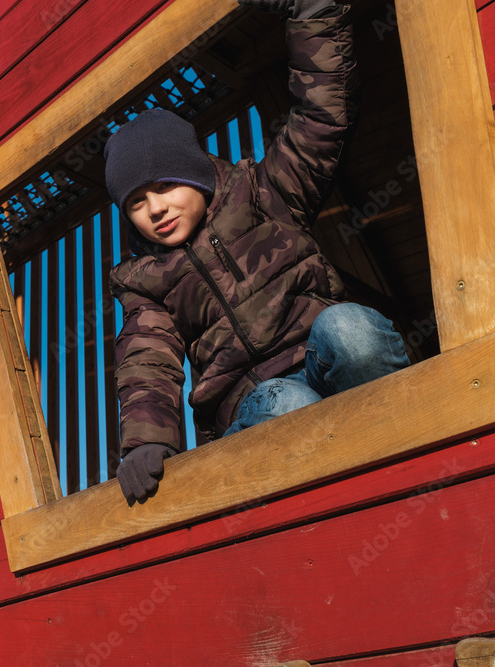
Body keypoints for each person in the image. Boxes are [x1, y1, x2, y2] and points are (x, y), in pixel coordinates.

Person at [107, 0, 410, 505]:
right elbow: (148, 360)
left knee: (350, 329)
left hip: (323, 354)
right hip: (251, 400)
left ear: (196, 173)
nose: (155, 208)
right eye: (136, 202)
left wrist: (315, 12)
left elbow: (322, 118)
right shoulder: (145, 281)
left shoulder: (266, 193)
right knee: (286, 402)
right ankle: (343, 505)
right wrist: (148, 441)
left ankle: (408, 440)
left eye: (165, 186)